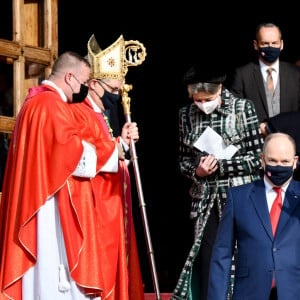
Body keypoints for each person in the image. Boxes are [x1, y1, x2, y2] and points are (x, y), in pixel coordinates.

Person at [0, 51, 127, 300]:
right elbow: (75, 157)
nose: (79, 91)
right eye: (81, 83)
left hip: (38, 195)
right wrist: (113, 149)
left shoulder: (33, 104)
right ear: (69, 78)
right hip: (47, 205)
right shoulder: (50, 106)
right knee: (54, 271)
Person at [171, 63, 264, 300]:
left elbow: (257, 159)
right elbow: (182, 161)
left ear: (220, 89)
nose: (202, 104)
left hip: (241, 195)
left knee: (244, 258)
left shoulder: (243, 109)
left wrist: (221, 166)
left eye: (207, 98)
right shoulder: (185, 115)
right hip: (206, 200)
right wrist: (198, 172)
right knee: (209, 260)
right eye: (197, 100)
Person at [85, 34, 145, 300]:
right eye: (112, 90)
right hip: (97, 206)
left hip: (114, 204)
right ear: (94, 84)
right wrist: (118, 147)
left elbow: (111, 151)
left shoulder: (104, 113)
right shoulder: (82, 114)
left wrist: (122, 141)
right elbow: (86, 159)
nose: (117, 95)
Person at [208, 132, 300, 300]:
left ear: (295, 162)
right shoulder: (239, 197)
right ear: (262, 160)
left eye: (285, 161)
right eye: (273, 161)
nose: (279, 166)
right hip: (250, 293)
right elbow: (222, 255)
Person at [229, 22, 300, 124]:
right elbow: (235, 112)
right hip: (256, 137)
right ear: (256, 45)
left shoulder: (296, 74)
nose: (270, 47)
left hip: (289, 137)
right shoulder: (242, 75)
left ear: (282, 44)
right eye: (265, 43)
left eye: (275, 43)